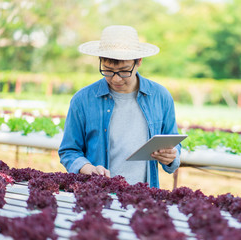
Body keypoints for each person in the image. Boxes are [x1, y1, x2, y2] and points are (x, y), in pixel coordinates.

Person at [58, 25, 181, 188]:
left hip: (144, 196)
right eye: (108, 71)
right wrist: (87, 168)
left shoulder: (160, 96)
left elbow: (173, 143)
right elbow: (69, 151)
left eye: (123, 71)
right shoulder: (82, 100)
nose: (116, 79)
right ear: (100, 60)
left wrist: (172, 156)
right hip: (96, 194)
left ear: (139, 62)